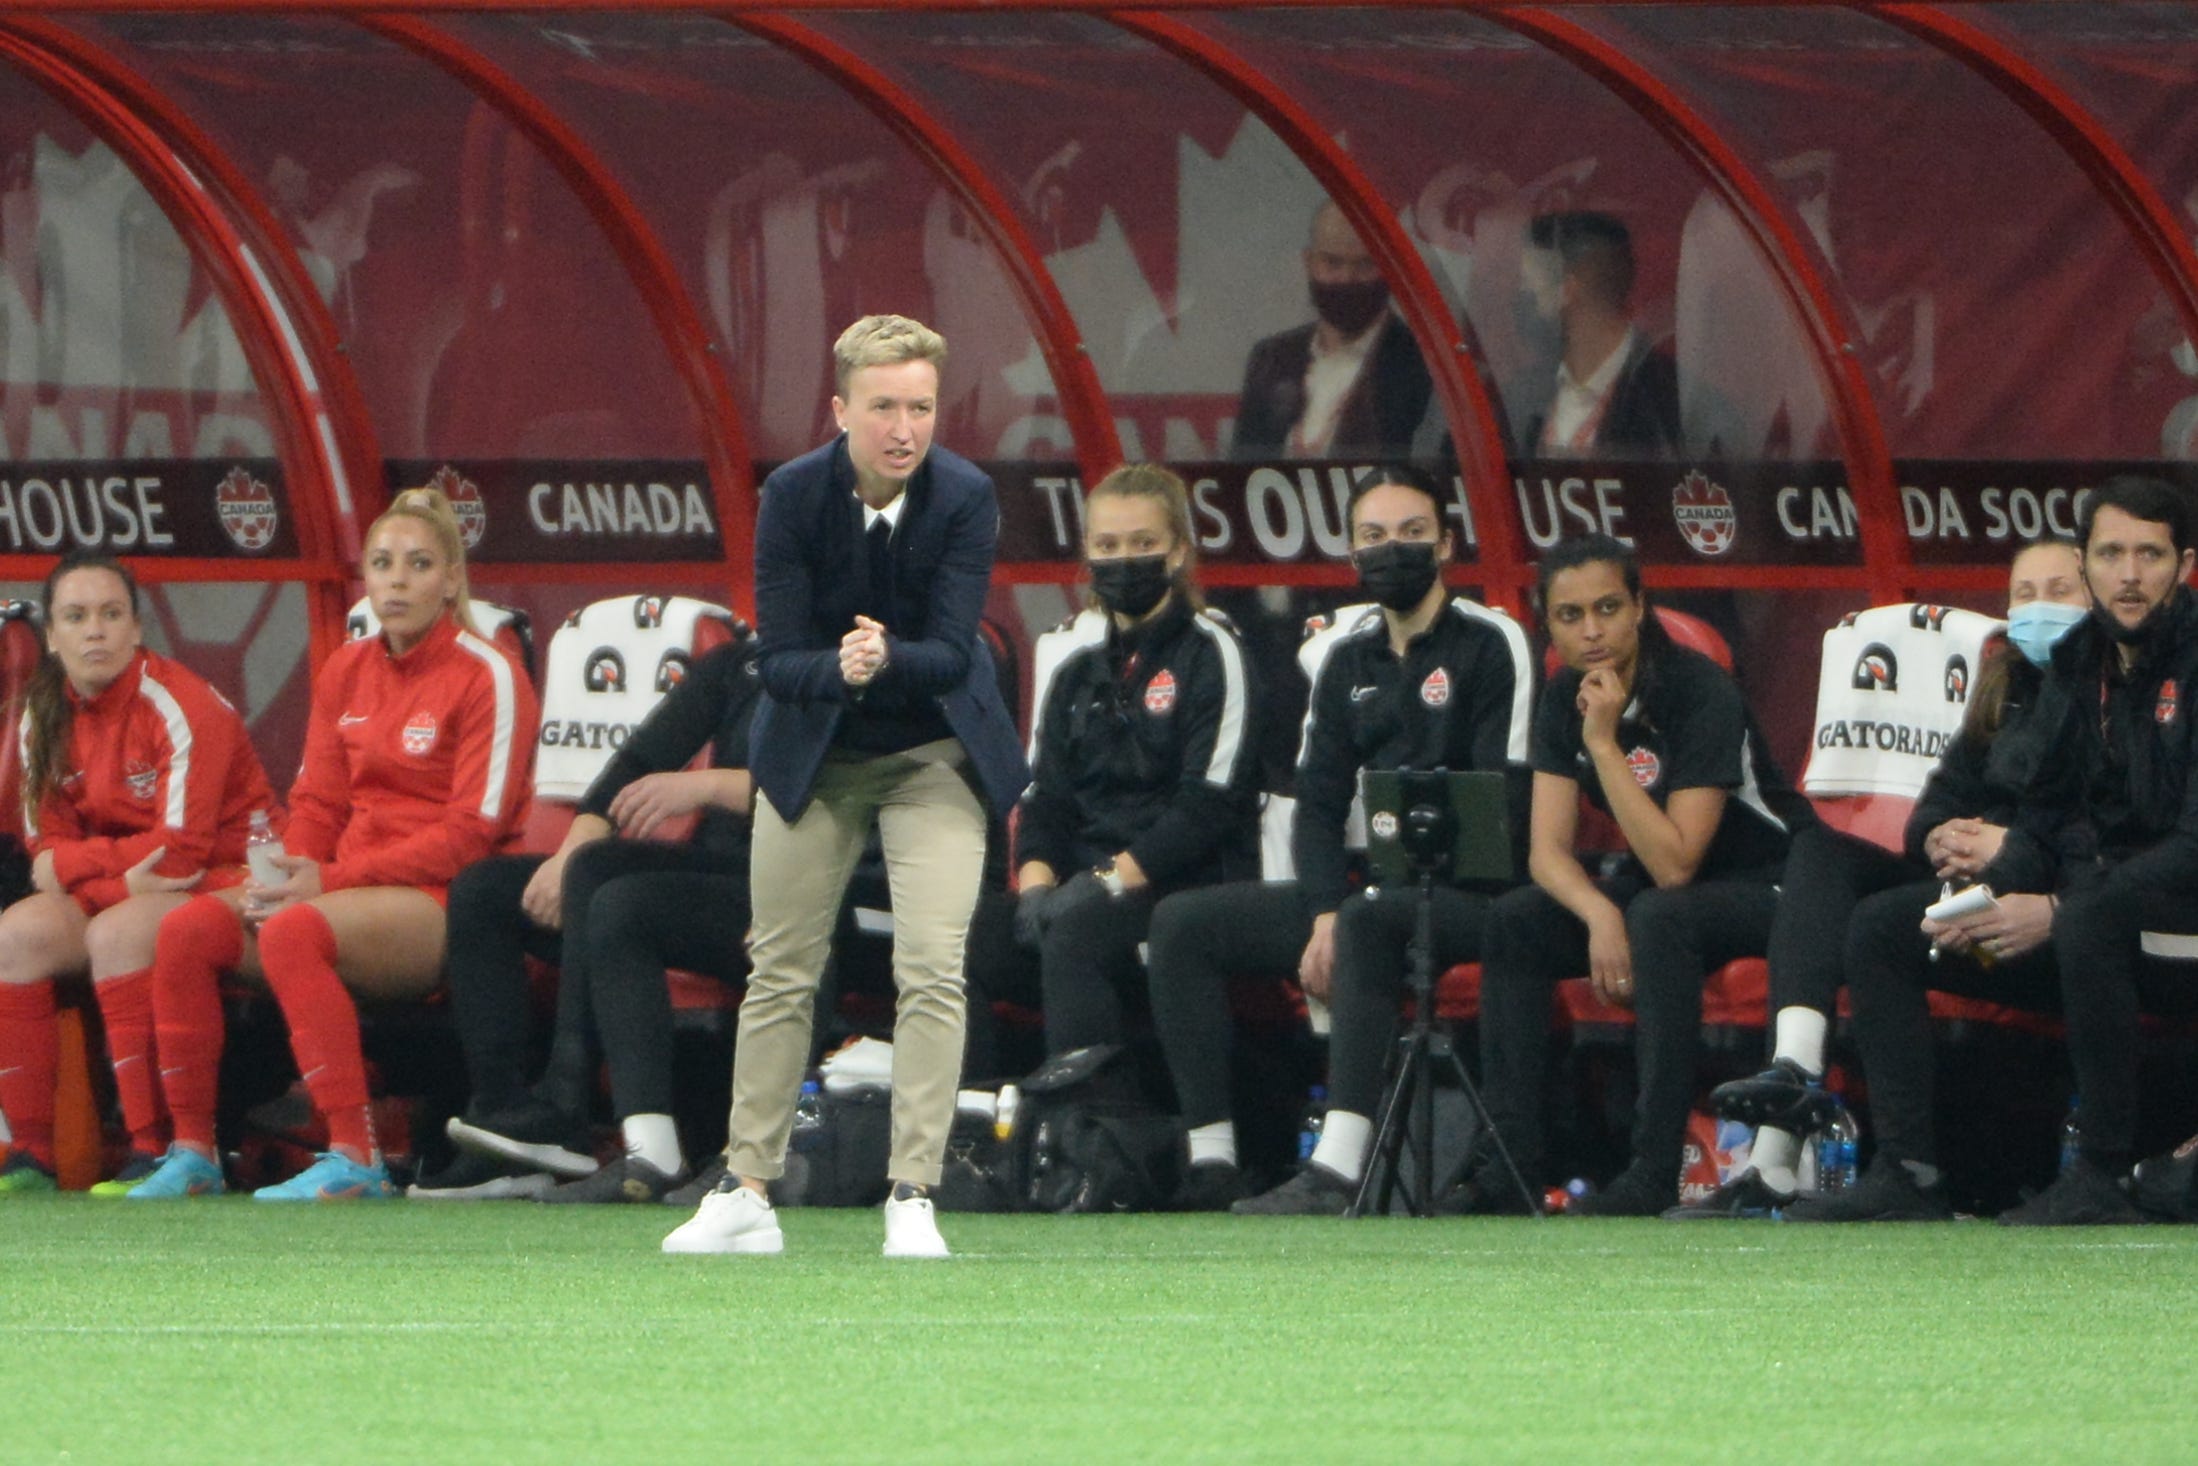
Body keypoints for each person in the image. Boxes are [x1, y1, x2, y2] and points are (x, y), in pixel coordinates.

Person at [662, 314, 1028, 1260]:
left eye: (921, 408)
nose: (904, 428)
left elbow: (954, 652)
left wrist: (887, 657)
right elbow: (777, 660)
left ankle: (913, 1195)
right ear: (840, 410)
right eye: (883, 409)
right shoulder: (790, 495)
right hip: (817, 752)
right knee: (780, 967)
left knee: (932, 967)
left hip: (933, 756)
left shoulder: (965, 496)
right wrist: (846, 668)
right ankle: (746, 1191)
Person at [1794, 479, 2198, 1225]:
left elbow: (2190, 848)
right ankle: (1907, 1174)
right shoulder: (2081, 663)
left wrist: (2059, 907)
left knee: (2089, 924)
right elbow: (2045, 815)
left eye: (2150, 554)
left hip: (2176, 933)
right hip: (2093, 920)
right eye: (2111, 554)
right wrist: (1989, 897)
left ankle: (2101, 1176)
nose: (2130, 574)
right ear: (2091, 562)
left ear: (2185, 564)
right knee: (1889, 928)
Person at [1146, 464, 1533, 1213]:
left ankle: (1338, 1167)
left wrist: (1356, 908)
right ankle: (1214, 1157)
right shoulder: (1346, 657)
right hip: (1360, 893)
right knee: (1182, 922)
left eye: (1413, 534)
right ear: (1353, 553)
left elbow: (1500, 803)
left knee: (1368, 920)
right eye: (1374, 537)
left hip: (1469, 895)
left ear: (1447, 544)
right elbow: (1319, 804)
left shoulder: (1493, 641)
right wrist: (1323, 909)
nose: (1393, 550)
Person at [134, 487, 538, 1201]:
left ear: (450, 579)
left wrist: (329, 880)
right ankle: (194, 1150)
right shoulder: (346, 668)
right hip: (342, 886)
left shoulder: (490, 672)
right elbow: (318, 802)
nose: (397, 580)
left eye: (418, 564)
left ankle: (356, 1155)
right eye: (382, 564)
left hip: (440, 900)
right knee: (189, 929)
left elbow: (469, 838)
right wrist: (287, 869)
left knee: (293, 932)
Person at [1678, 540, 2088, 1219]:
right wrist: (1938, 835)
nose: (2039, 607)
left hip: (2055, 908)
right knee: (1825, 852)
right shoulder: (2005, 682)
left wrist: (2008, 848)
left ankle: (1907, 1171)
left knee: (1879, 927)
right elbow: (1940, 795)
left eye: (2060, 591)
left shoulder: (2108, 691)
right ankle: (1795, 1075)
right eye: (2024, 593)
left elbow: (2099, 828)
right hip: (1981, 888)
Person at [1463, 534, 1810, 1216]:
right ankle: (1511, 1166)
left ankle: (1652, 1174)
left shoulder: (1699, 689)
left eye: (1607, 608)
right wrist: (1597, 915)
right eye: (1569, 616)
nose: (1590, 632)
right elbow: (1546, 853)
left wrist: (1601, 742)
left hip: (1770, 879)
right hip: (1667, 887)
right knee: (1517, 923)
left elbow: (1677, 862)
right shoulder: (1565, 692)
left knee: (1659, 914)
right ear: (1549, 623)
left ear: (1640, 607)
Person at [419, 629, 765, 1203]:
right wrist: (575, 843)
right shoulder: (742, 664)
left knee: (610, 889)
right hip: (712, 867)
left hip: (787, 881)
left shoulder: (850, 670)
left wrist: (708, 786)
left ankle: (569, 1103)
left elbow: (833, 789)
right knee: (485, 889)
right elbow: (639, 759)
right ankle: (506, 1118)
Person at [974, 463, 1260, 1095]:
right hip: (1081, 882)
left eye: (1142, 544)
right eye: (1107, 546)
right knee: (963, 937)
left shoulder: (1213, 649)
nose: (1123, 560)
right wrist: (1036, 888)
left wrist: (1102, 884)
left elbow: (1207, 808)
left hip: (1183, 888)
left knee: (1079, 930)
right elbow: (1045, 800)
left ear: (1179, 551)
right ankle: (975, 1139)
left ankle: (1093, 1138)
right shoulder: (1076, 668)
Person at [0, 553, 274, 1195]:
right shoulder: (44, 713)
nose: (94, 630)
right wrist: (113, 881)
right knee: (16, 935)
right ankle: (28, 1156)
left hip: (230, 876)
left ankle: (155, 1150)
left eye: (110, 614)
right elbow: (45, 848)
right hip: (135, 884)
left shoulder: (181, 705)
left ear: (136, 629)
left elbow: (181, 851)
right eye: (76, 616)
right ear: (52, 637)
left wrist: (87, 875)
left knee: (118, 934)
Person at [1233, 201, 1432, 462]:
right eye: (1332, 263)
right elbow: (1242, 469)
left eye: (1365, 264)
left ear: (1390, 267)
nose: (1347, 278)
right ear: (1309, 261)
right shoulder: (1272, 359)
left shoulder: (1419, 364)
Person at [1516, 211, 1682, 460]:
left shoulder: (1671, 404)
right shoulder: (1520, 395)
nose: (1518, 305)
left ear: (1568, 291)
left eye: (1529, 290)